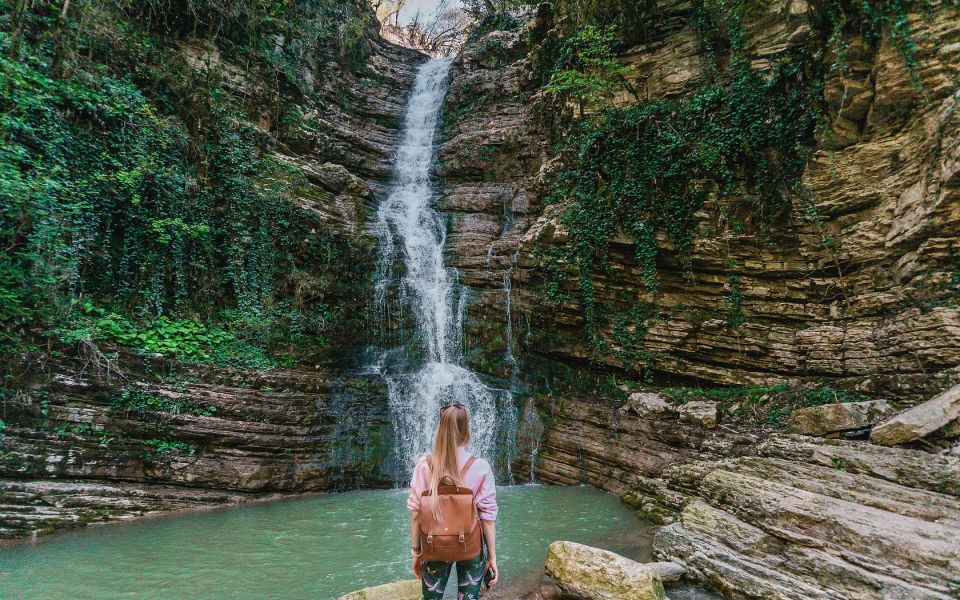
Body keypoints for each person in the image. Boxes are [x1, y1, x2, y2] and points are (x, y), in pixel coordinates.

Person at [407, 402, 499, 599]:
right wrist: (492, 558)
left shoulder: (424, 465)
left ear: (440, 429)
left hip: (434, 548)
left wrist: (416, 553)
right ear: (467, 429)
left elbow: (415, 515)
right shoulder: (481, 467)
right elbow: (488, 519)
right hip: (472, 547)